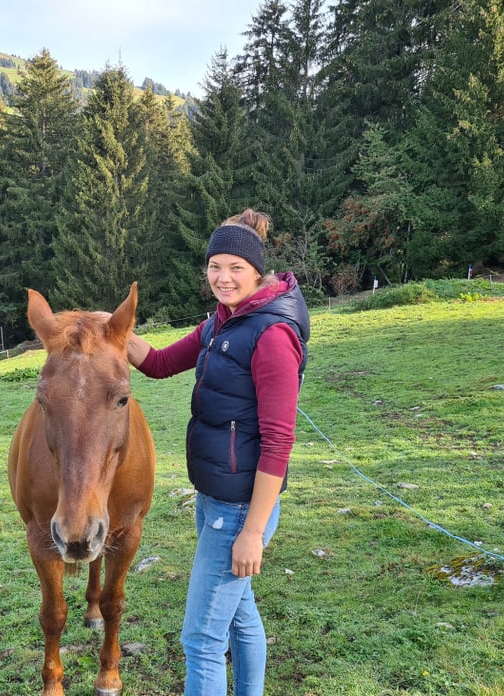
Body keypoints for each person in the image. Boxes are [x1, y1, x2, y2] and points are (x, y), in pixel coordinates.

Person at [126, 208, 310, 695]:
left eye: (235, 267)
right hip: (215, 497)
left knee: (202, 639)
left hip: (239, 508)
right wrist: (113, 329)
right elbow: (161, 363)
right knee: (238, 615)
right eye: (214, 266)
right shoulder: (222, 324)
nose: (222, 278)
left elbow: (279, 442)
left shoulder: (270, 335)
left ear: (256, 270)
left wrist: (252, 531)